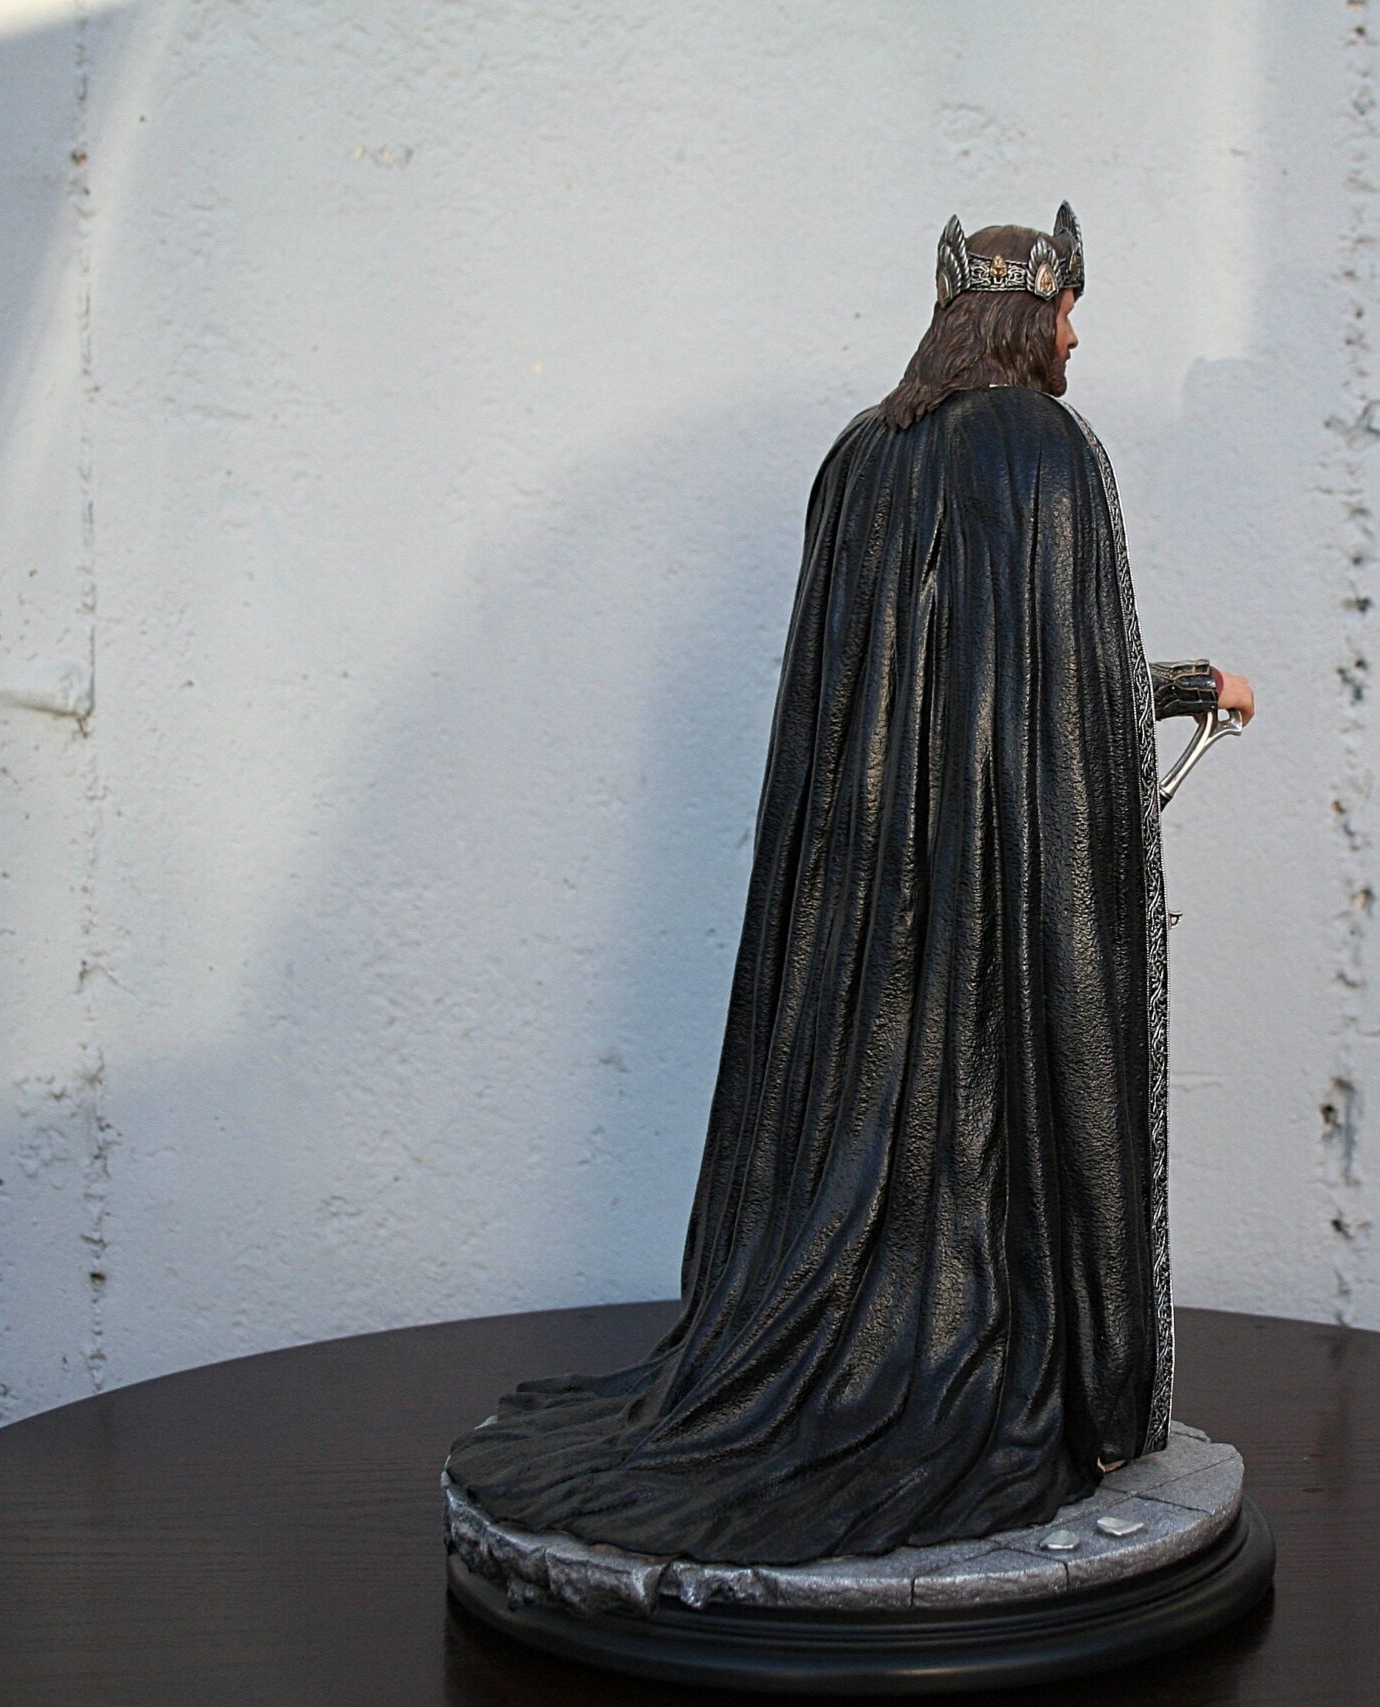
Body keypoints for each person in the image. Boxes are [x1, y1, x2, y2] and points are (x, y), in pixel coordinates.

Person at [445, 203, 1255, 1565]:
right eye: (1069, 310)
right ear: (1032, 311)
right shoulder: (1047, 452)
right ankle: (1008, 1374)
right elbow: (1068, 693)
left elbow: (877, 704)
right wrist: (1190, 687)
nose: (1077, 337)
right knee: (985, 1153)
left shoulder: (862, 456)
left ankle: (838, 1340)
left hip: (863, 937)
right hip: (991, 923)